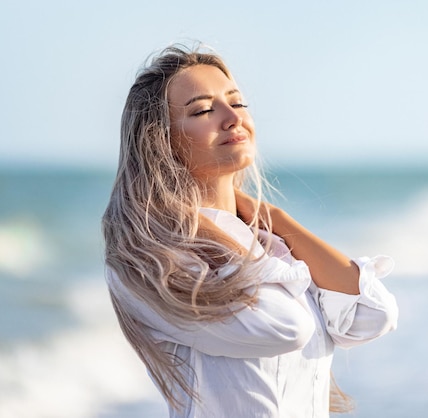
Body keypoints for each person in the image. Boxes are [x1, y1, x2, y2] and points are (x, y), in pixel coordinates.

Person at [102, 44, 398, 418]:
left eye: (237, 103)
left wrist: (277, 219)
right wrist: (208, 224)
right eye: (203, 110)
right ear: (160, 141)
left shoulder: (270, 243)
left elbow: (373, 315)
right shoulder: (151, 257)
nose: (231, 118)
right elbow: (285, 327)